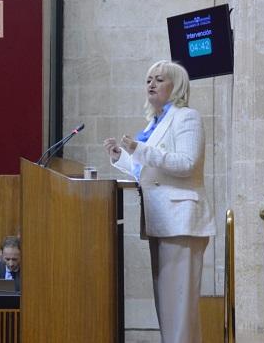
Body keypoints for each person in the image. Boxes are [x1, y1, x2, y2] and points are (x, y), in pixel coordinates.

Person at [103, 60, 215, 343]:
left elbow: (187, 164)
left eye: (159, 79)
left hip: (181, 222)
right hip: (162, 222)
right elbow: (149, 172)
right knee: (167, 309)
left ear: (175, 86)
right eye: (148, 79)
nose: (151, 84)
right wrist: (122, 156)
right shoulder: (155, 123)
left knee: (179, 309)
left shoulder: (186, 117)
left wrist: (140, 149)